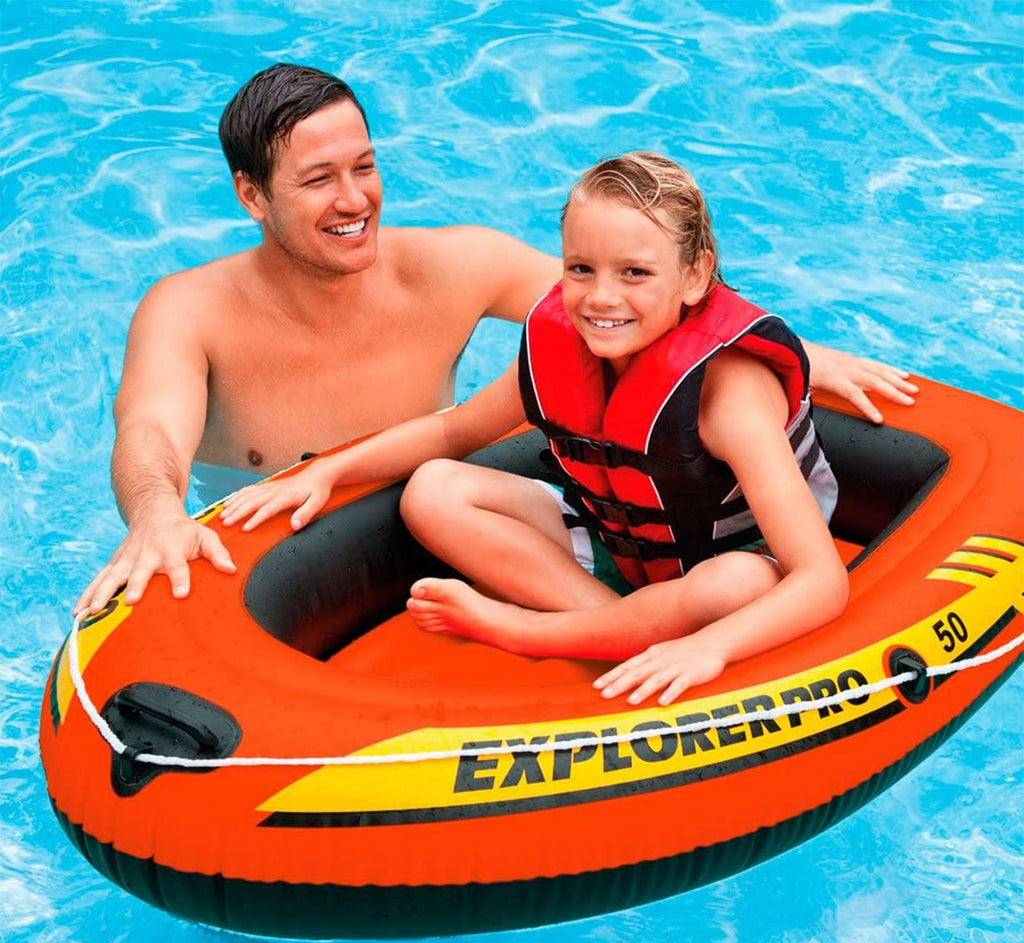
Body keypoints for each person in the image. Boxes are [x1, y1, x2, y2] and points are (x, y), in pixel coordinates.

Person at [75, 63, 915, 618]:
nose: (355, 200)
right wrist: (155, 513)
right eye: (319, 179)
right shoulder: (189, 311)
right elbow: (148, 431)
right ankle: (613, 626)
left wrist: (802, 360)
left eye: (364, 166)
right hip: (284, 563)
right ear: (252, 196)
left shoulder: (457, 266)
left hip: (468, 526)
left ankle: (612, 628)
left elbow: (633, 298)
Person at [219, 152, 850, 706]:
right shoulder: (562, 345)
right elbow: (452, 434)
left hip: (725, 570)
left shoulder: (728, 394)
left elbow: (821, 581)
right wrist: (329, 470)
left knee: (737, 581)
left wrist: (710, 648)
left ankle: (530, 632)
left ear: (693, 275)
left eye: (634, 273)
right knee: (433, 489)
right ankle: (618, 626)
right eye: (581, 269)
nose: (601, 298)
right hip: (621, 552)